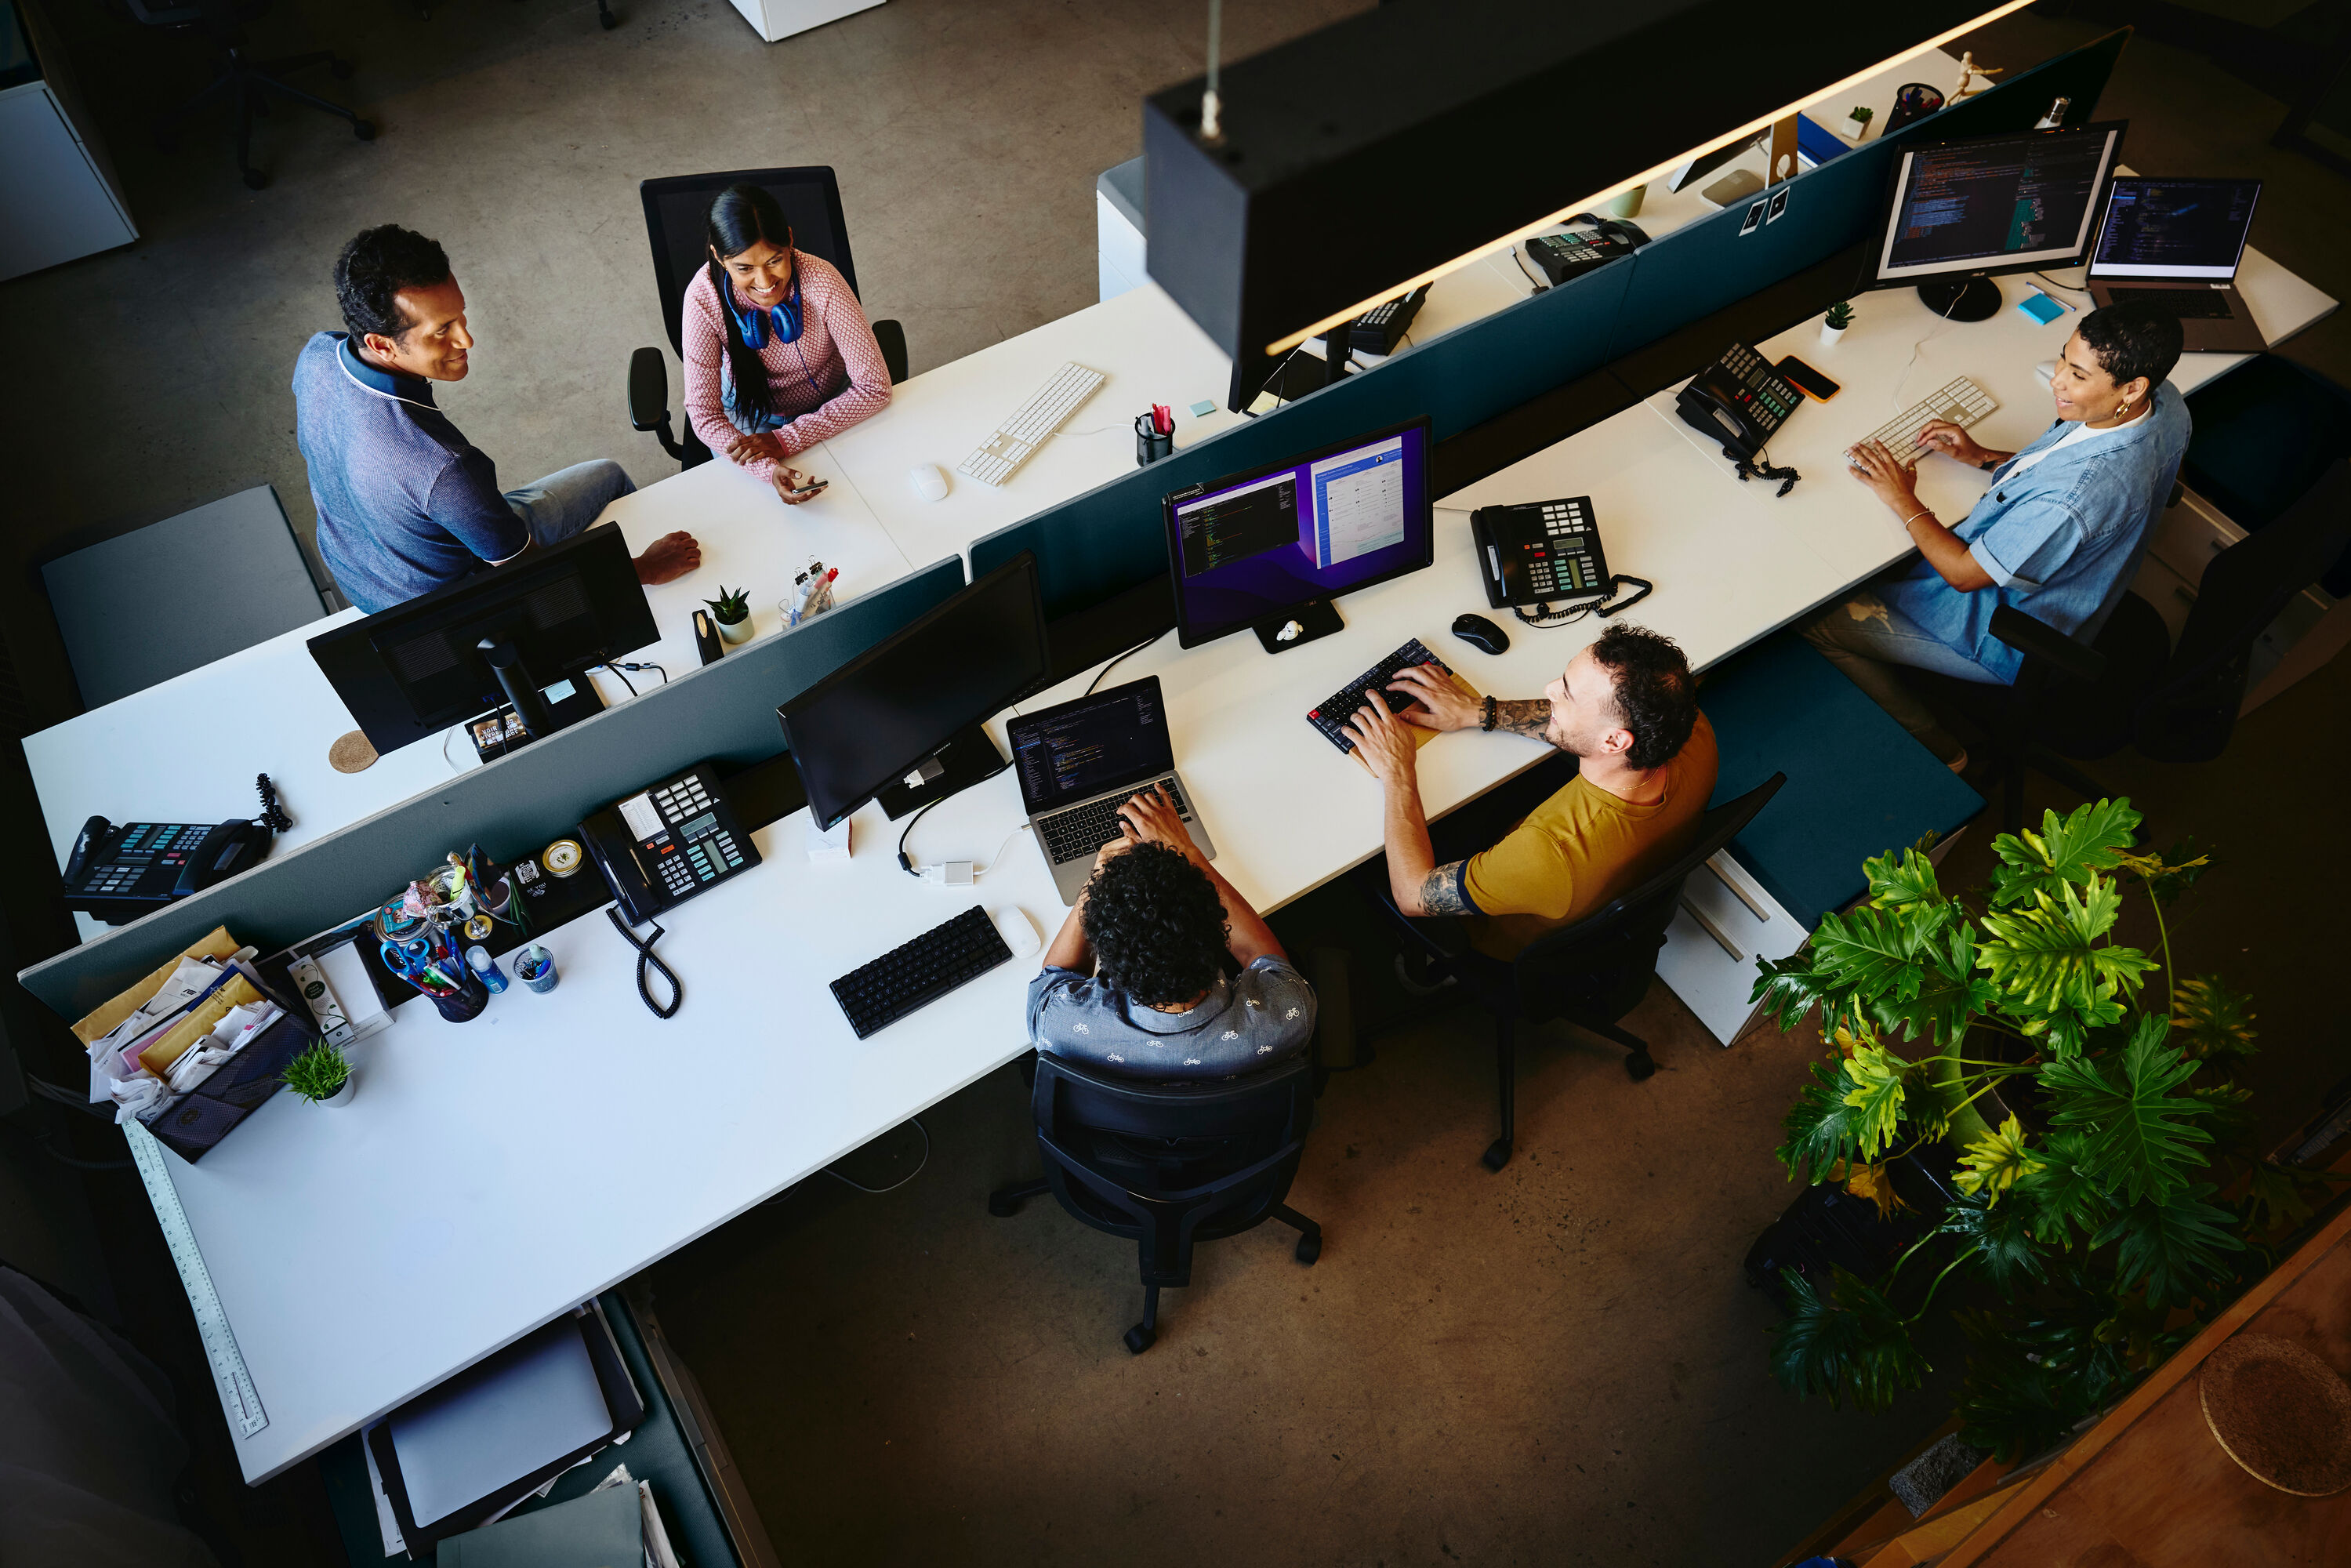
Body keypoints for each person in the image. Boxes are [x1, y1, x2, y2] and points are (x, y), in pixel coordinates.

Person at [1803, 302, 2190, 768]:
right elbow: (2058, 469)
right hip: (2081, 585)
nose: (2057, 381)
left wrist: (1902, 496)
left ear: (2133, 387)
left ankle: (1943, 753)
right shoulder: (2167, 406)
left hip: (2005, 630)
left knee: (1818, 626)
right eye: (2064, 360)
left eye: (2078, 376)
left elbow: (1966, 575)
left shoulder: (2076, 498)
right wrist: (1982, 456)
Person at [294, 225, 699, 615]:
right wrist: (646, 567)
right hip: (458, 602)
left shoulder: (316, 357)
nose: (466, 340)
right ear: (381, 344)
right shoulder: (444, 469)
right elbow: (531, 575)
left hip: (362, 577)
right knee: (607, 476)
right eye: (442, 331)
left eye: (460, 316)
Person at [1345, 623, 1717, 966]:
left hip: (1499, 934)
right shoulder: (1693, 729)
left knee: (1359, 865)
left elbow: (1413, 896)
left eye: (1567, 695)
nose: (1550, 689)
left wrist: (1398, 772)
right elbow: (1585, 731)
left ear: (1615, 741)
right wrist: (1478, 711)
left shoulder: (1551, 850)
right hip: (1592, 880)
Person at [1029, 784, 1316, 1081]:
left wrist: (1097, 883)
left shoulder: (1056, 1022)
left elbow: (1057, 972)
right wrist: (1189, 852)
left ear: (1107, 964)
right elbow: (1260, 955)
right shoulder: (1289, 1015)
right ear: (1221, 933)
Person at [682, 185, 892, 505]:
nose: (765, 283)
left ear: (790, 241)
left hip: (833, 400)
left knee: (867, 492)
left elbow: (874, 388)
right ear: (718, 257)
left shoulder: (822, 281)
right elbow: (705, 414)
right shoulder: (702, 298)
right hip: (748, 415)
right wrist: (767, 470)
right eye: (744, 268)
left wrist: (785, 440)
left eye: (774, 260)